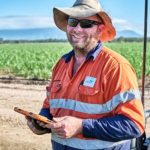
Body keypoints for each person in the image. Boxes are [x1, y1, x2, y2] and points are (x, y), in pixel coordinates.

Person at [26, 0, 145, 149]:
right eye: (73, 21)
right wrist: (42, 121)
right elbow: (50, 107)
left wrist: (82, 126)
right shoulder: (61, 64)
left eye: (86, 24)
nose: (77, 29)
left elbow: (134, 125)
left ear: (100, 30)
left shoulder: (116, 67)